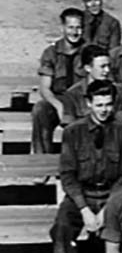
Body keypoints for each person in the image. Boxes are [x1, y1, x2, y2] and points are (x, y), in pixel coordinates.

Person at [53, 80, 122, 253]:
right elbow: (68, 175)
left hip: (112, 196)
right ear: (89, 103)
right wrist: (84, 209)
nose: (104, 110)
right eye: (99, 105)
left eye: (108, 104)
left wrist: (107, 209)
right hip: (82, 195)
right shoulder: (73, 132)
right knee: (61, 228)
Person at [33, 8, 85, 153]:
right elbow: (45, 88)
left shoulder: (89, 51)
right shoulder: (51, 53)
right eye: (70, 27)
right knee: (40, 110)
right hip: (58, 100)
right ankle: (42, 160)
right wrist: (58, 106)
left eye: (78, 27)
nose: (74, 32)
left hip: (81, 102)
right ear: (62, 28)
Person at [61, 45, 122, 127]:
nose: (107, 70)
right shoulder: (72, 95)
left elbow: (121, 124)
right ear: (88, 68)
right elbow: (69, 128)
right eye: (102, 66)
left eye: (108, 66)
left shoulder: (119, 91)